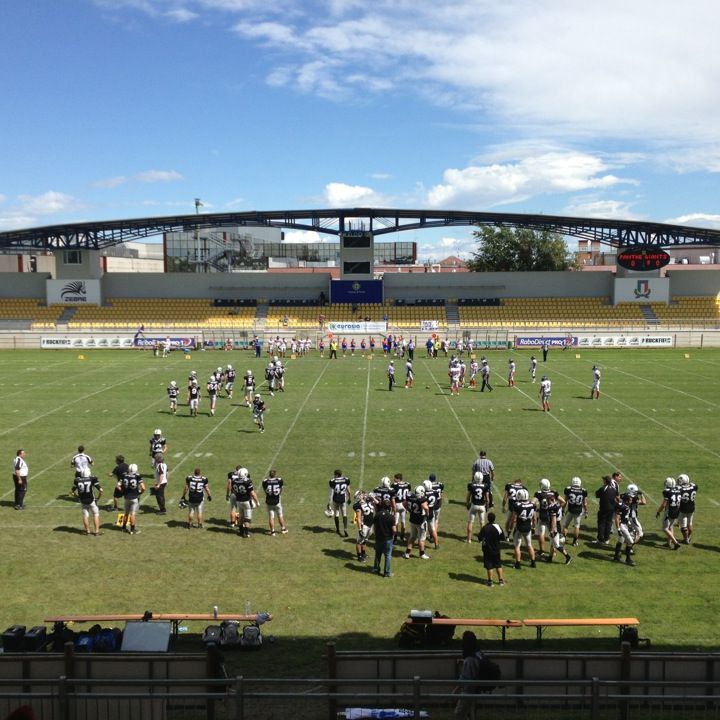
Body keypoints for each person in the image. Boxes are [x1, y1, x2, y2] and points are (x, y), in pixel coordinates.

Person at [71, 466, 103, 535]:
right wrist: (98, 498)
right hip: (92, 500)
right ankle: (97, 531)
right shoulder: (92, 479)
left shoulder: (77, 480)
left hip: (83, 501)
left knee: (85, 515)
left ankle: (87, 531)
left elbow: (72, 492)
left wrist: (78, 497)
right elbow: (101, 490)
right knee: (96, 514)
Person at [511, 488, 537, 569]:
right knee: (529, 545)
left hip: (520, 528)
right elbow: (534, 518)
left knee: (517, 546)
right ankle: (533, 562)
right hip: (528, 527)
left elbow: (514, 519)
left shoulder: (517, 505)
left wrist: (513, 527)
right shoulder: (532, 505)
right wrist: (534, 527)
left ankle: (518, 564)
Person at [403, 484, 431, 560]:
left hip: (412, 520)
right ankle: (422, 554)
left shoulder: (410, 497)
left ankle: (407, 553)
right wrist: (427, 514)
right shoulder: (422, 499)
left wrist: (409, 510)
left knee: (412, 537)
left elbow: (404, 503)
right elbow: (425, 507)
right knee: (421, 538)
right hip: (421, 521)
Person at [478, 513, 505, 586]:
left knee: (489, 566)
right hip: (496, 549)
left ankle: (490, 582)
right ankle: (501, 581)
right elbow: (503, 537)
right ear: (494, 519)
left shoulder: (485, 528)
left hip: (487, 550)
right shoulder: (498, 527)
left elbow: (480, 538)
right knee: (498, 565)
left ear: (488, 519)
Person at [117, 463, 145, 535]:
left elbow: (118, 486)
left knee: (126, 513)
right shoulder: (137, 476)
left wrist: (123, 491)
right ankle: (132, 530)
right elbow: (143, 487)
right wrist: (140, 492)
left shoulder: (124, 475)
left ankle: (123, 527)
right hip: (134, 497)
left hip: (126, 497)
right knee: (132, 514)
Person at [656, 477, 682, 550]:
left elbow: (664, 505)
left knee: (665, 528)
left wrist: (658, 511)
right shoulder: (678, 490)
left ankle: (675, 543)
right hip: (676, 510)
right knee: (671, 527)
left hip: (669, 511)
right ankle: (668, 543)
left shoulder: (666, 492)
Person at [562, 476, 588, 546]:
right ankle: (574, 542)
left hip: (570, 510)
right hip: (579, 511)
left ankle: (563, 539)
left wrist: (563, 509)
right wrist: (586, 511)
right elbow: (585, 503)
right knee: (577, 526)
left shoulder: (568, 489)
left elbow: (565, 501)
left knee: (565, 525)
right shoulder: (583, 490)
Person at [373, 498, 396, 577]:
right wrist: (392, 536)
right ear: (389, 507)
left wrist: (376, 536)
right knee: (388, 555)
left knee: (377, 554)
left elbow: (375, 527)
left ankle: (376, 568)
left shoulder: (377, 515)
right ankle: (387, 572)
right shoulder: (391, 517)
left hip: (379, 537)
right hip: (388, 538)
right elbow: (394, 530)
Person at [595, 474, 619, 544]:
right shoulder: (614, 489)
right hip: (611, 509)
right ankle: (607, 539)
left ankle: (600, 539)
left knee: (601, 523)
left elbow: (597, 494)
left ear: (605, 481)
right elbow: (617, 497)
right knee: (608, 523)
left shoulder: (603, 488)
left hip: (603, 509)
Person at [262, 469, 288, 535]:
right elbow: (281, 489)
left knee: (271, 516)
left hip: (269, 501)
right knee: (280, 515)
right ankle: (283, 529)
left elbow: (265, 491)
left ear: (269, 475)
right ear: (275, 474)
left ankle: (272, 531)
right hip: (277, 500)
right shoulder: (279, 480)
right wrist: (278, 494)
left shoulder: (265, 481)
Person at [614, 492, 637, 566]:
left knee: (621, 540)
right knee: (630, 542)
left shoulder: (625, 505)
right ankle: (628, 559)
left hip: (625, 524)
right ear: (626, 501)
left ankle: (616, 556)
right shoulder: (623, 506)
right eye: (630, 500)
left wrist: (630, 526)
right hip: (622, 526)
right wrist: (618, 529)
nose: (631, 501)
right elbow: (617, 518)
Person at [466, 472, 489, 543]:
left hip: (474, 505)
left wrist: (467, 503)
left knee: (470, 522)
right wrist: (487, 505)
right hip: (482, 506)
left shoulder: (471, 485)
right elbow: (487, 499)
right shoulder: (485, 485)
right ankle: (482, 539)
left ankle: (469, 539)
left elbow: (468, 497)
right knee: (482, 523)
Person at [353, 490, 375, 562]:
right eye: (362, 494)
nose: (365, 495)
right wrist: (360, 529)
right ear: (359, 497)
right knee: (359, 541)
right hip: (364, 525)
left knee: (365, 540)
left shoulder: (368, 501)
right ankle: (359, 556)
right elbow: (358, 518)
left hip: (371, 524)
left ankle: (363, 553)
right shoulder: (358, 505)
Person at [328, 469, 351, 537]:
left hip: (336, 499)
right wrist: (349, 498)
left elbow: (331, 493)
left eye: (334, 474)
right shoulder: (346, 479)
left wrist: (329, 502)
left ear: (337, 474)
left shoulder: (333, 481)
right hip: (343, 498)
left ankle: (338, 530)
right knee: (344, 514)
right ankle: (345, 528)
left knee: (337, 514)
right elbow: (349, 491)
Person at [677, 473, 697, 544]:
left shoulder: (680, 489)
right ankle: (688, 537)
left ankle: (686, 539)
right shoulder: (694, 487)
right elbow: (692, 484)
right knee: (690, 524)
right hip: (691, 508)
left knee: (683, 527)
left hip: (683, 509)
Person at [392, 472, 410, 541]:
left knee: (395, 522)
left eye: (395, 478)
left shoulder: (394, 485)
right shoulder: (407, 484)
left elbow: (392, 495)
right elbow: (408, 495)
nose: (394, 480)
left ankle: (395, 538)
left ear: (398, 479)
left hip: (397, 504)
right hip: (404, 504)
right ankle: (402, 536)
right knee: (403, 521)